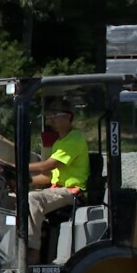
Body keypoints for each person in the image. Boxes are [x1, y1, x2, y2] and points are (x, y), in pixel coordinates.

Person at [26, 99, 90, 263]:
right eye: (50, 115)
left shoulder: (73, 140)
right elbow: (48, 176)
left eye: (55, 115)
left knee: (33, 198)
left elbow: (48, 165)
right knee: (14, 197)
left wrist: (18, 167)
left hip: (72, 192)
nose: (51, 119)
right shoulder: (59, 142)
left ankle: (32, 252)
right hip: (57, 189)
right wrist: (23, 182)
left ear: (68, 117)